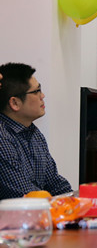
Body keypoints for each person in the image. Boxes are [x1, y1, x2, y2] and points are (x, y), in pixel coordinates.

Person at [0, 62, 72, 199]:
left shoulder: (34, 133)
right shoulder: (2, 137)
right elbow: (26, 194)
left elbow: (54, 182)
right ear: (14, 103)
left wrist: (74, 200)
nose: (42, 95)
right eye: (36, 91)